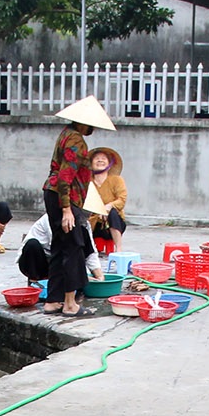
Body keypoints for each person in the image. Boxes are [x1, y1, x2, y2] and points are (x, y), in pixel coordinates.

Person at [42, 95, 115, 318]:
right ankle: (70, 304)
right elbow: (66, 176)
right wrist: (66, 209)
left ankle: (52, 301)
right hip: (65, 198)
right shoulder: (75, 140)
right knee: (73, 248)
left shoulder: (65, 133)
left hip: (53, 193)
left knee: (59, 247)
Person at [87, 148, 128, 253]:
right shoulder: (87, 182)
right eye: (97, 159)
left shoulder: (116, 180)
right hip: (92, 223)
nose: (100, 160)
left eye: (103, 158)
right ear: (91, 163)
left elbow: (122, 200)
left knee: (113, 213)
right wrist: (98, 210)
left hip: (113, 223)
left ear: (109, 164)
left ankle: (118, 249)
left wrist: (108, 207)